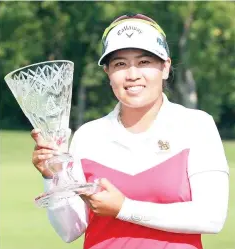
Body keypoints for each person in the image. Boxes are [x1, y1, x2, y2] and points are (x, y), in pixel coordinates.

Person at [31, 14, 229, 249]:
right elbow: (69, 229)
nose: (132, 74)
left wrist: (125, 208)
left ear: (165, 67)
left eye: (144, 62)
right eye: (120, 64)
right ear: (108, 73)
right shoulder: (88, 135)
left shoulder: (196, 125)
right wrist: (53, 175)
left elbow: (211, 217)